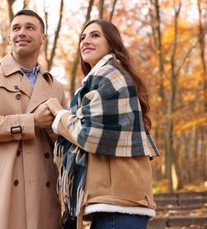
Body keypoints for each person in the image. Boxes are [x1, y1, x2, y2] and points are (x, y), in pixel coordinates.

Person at [0, 9, 67, 229]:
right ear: (9, 38)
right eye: (16, 28)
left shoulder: (55, 86)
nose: (21, 33)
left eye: (29, 27)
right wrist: (31, 121)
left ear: (43, 38)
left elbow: (66, 143)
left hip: (43, 199)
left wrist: (55, 129)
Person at [45, 19, 160, 229]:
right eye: (82, 37)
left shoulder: (109, 76)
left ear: (112, 43)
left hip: (118, 203)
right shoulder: (104, 77)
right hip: (115, 202)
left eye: (95, 35)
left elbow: (88, 134)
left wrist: (59, 115)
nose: (85, 41)